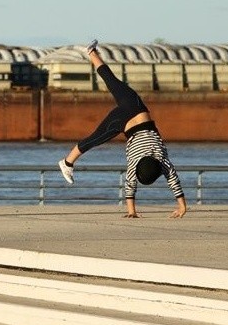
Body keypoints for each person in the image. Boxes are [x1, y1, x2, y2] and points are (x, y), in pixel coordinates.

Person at [58, 39, 187, 219]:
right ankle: (67, 162)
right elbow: (130, 186)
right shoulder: (140, 165)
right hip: (125, 123)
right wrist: (131, 212)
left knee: (111, 80)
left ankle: (91, 53)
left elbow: (173, 180)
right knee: (95, 138)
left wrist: (183, 206)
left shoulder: (162, 160)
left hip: (137, 108)